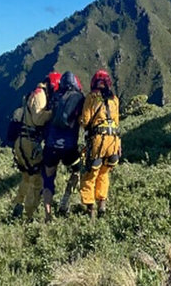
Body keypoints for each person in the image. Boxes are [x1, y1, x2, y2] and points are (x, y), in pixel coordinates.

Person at [11, 72, 60, 220]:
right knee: (38, 181)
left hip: (22, 141)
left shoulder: (34, 93)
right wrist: (52, 113)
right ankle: (28, 215)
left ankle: (18, 205)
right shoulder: (41, 95)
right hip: (30, 143)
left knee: (26, 177)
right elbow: (38, 119)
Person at [41, 71, 84, 221]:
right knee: (77, 171)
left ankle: (48, 216)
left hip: (51, 147)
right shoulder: (79, 98)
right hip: (69, 148)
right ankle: (65, 200)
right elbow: (83, 121)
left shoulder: (54, 97)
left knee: (48, 180)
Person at [79, 70, 122, 218]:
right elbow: (117, 122)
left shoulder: (91, 97)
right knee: (104, 173)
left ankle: (90, 209)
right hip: (113, 141)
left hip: (98, 141)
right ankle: (102, 205)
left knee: (90, 174)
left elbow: (85, 121)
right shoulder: (114, 99)